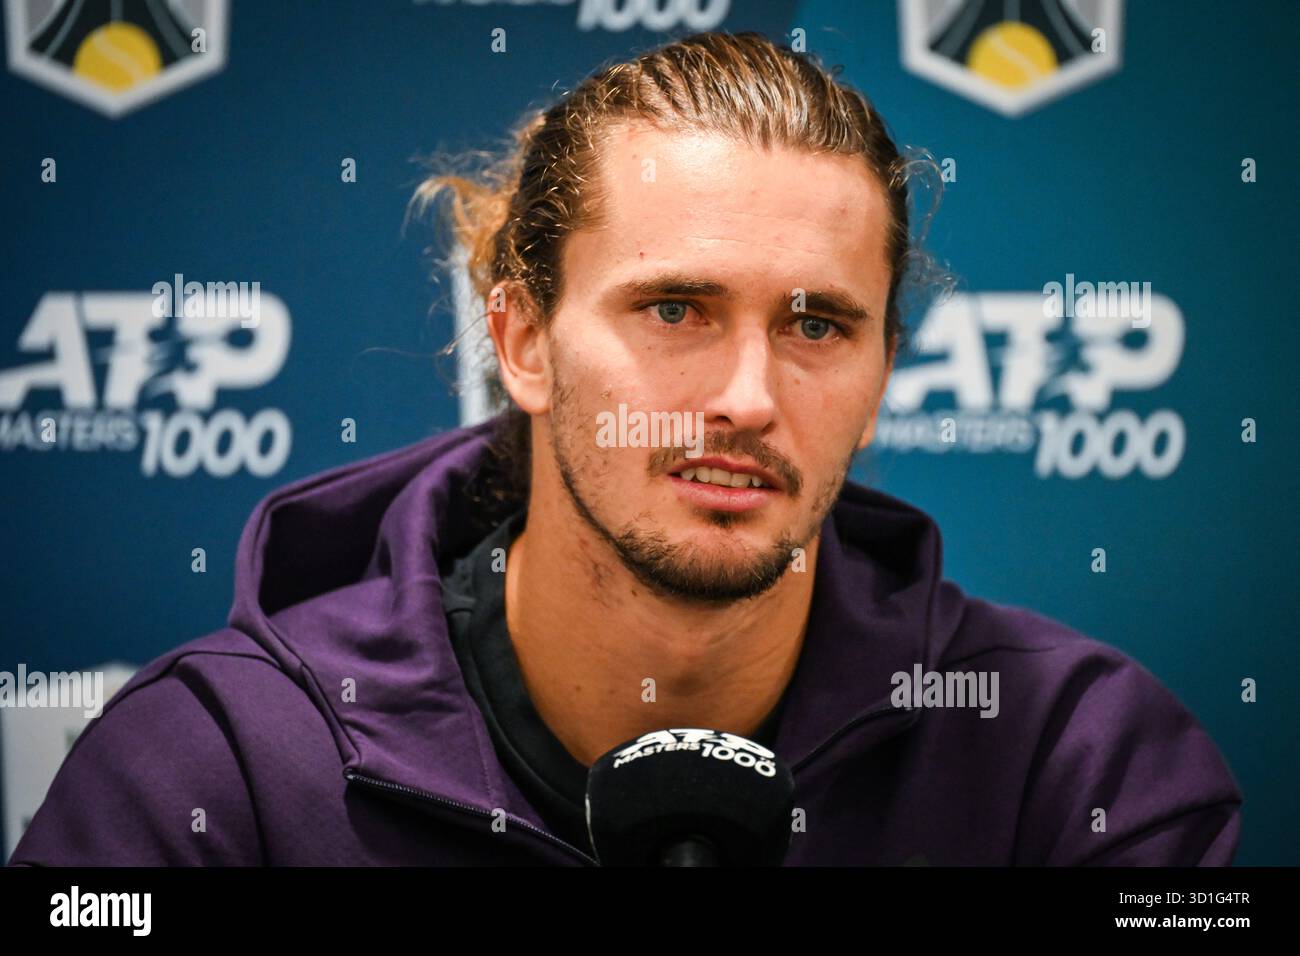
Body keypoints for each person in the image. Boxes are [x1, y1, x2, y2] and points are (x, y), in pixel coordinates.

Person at [9, 31, 1240, 866]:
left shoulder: (1077, 760)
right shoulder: (214, 769)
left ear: (879, 381)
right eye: (674, 310)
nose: (748, 397)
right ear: (524, 338)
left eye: (817, 323)